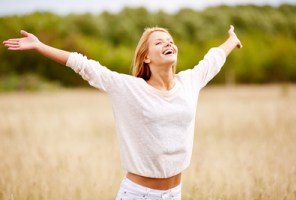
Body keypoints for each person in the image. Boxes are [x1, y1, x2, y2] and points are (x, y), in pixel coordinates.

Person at [3, 25, 242, 200]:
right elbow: (85, 65)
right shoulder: (130, 89)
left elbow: (214, 59)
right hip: (138, 195)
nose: (168, 44)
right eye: (159, 42)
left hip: (174, 194)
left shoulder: (189, 82)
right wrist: (39, 45)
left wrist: (232, 39)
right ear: (146, 57)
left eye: (170, 40)